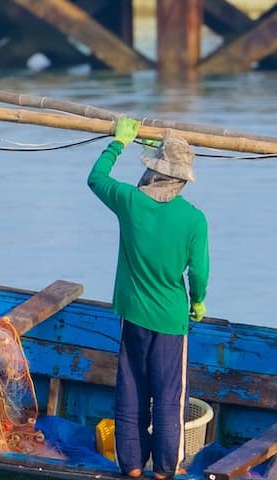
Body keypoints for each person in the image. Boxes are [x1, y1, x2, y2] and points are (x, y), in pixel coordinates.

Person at [89, 118, 210, 479]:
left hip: (133, 314)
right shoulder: (194, 219)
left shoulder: (129, 201)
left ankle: (133, 469)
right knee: (169, 400)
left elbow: (96, 178)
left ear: (153, 172)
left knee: (132, 393)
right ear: (182, 178)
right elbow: (199, 274)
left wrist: (117, 143)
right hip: (172, 320)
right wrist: (198, 301)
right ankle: (165, 472)